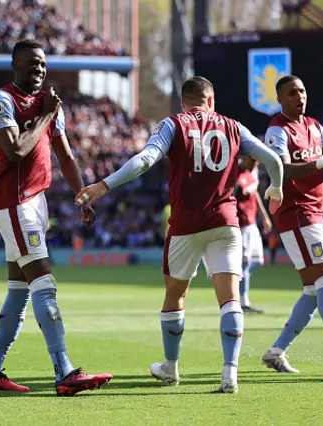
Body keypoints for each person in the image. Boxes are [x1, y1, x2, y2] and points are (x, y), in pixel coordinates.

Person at [75, 76, 284, 393]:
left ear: (184, 102)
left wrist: (104, 185)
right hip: (226, 223)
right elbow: (272, 159)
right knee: (229, 299)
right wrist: (276, 187)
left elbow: (145, 160)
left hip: (186, 225)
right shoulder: (234, 126)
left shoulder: (173, 125)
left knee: (175, 297)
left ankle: (171, 369)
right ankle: (230, 374)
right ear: (211, 100)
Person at [0, 39, 112, 396]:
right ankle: (63, 370)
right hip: (14, 202)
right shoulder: (2, 100)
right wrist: (46, 115)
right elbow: (16, 150)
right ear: (14, 65)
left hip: (35, 202)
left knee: (19, 290)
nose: (38, 69)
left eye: (42, 64)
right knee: (44, 283)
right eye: (31, 63)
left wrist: (81, 193)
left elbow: (65, 156)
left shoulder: (49, 106)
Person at [260, 75, 323, 375]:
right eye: (291, 93)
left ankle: (276, 351)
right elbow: (282, 169)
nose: (298, 97)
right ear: (280, 99)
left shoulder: (314, 126)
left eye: (302, 91)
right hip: (297, 214)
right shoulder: (277, 129)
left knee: (314, 289)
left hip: (315, 213)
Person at [235, 157, 272, 314]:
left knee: (257, 261)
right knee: (244, 264)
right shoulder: (237, 171)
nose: (256, 165)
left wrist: (264, 216)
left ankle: (237, 282)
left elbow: (254, 192)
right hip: (241, 223)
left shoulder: (252, 171)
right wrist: (248, 187)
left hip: (252, 223)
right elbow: (241, 189)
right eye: (255, 162)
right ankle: (243, 301)